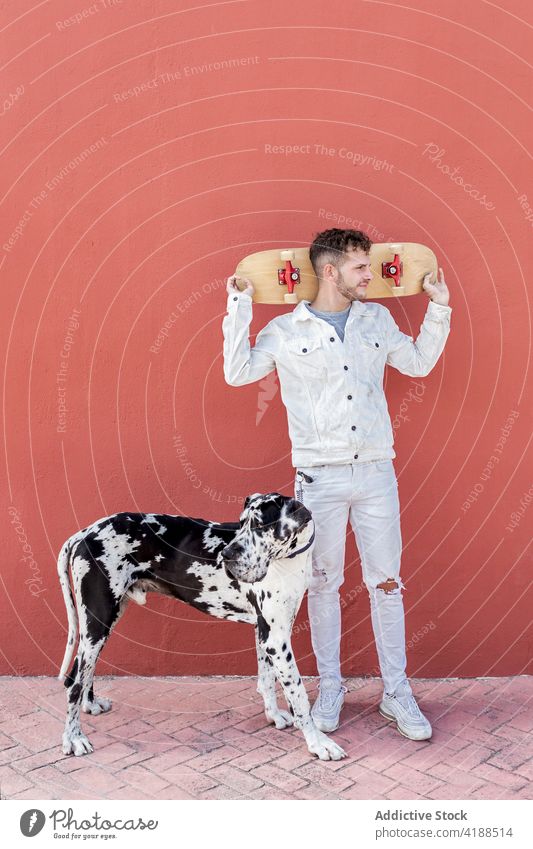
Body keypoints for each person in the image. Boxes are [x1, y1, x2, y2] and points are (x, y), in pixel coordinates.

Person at [222, 228, 451, 740]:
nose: (371, 275)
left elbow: (418, 363)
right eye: (360, 268)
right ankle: (330, 687)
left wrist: (439, 309)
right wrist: (238, 306)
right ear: (330, 271)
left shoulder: (377, 318)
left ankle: (397, 691)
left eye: (369, 266)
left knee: (386, 584)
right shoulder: (285, 330)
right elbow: (237, 372)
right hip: (317, 477)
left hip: (375, 471)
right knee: (323, 585)